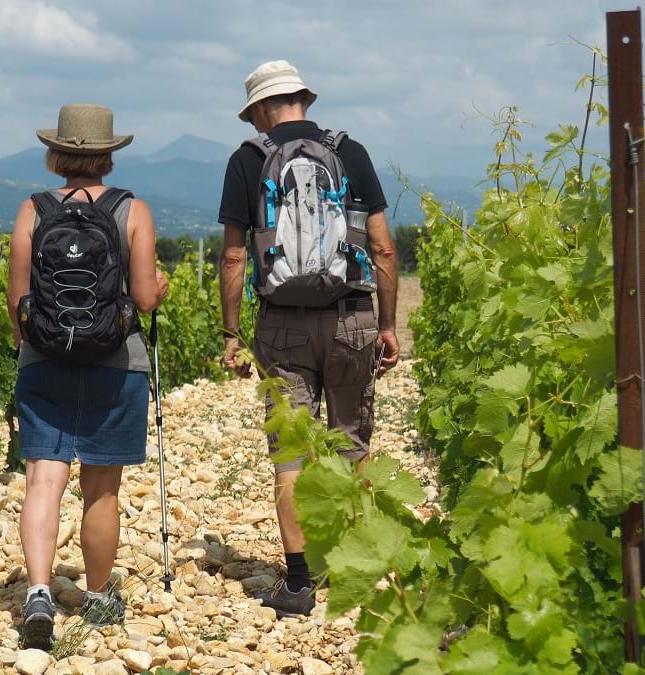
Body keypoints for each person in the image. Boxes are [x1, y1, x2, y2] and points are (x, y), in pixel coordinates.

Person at [218, 60, 399, 616]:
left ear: (260, 111)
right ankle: (356, 565)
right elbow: (383, 246)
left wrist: (231, 333)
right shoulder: (351, 153)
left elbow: (233, 254)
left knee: (291, 453)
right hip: (350, 316)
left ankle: (298, 583)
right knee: (351, 441)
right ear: (302, 100)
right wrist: (388, 324)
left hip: (281, 324)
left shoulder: (248, 160)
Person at [6, 103, 168, 649]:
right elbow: (144, 299)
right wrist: (159, 290)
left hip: (44, 359)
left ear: (57, 152)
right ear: (108, 154)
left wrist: (30, 347)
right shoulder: (133, 210)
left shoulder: (32, 211)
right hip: (116, 365)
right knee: (102, 489)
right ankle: (98, 598)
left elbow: (18, 301)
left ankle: (38, 595)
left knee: (43, 481)